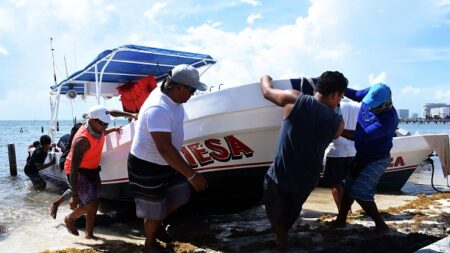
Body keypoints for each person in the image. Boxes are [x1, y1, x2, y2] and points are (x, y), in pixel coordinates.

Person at [260, 71, 347, 252]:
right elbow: (334, 131)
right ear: (334, 94)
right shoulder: (338, 124)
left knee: (273, 208)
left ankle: (282, 239)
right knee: (293, 210)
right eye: (341, 96)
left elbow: (267, 92)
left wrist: (265, 78)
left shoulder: (294, 99)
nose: (340, 100)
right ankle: (282, 236)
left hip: (280, 174)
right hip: (307, 179)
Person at [127, 64, 208, 252]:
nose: (193, 94)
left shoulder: (171, 95)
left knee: (181, 195)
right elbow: (164, 148)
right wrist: (192, 174)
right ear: (178, 87)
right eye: (192, 90)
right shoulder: (159, 108)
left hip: (168, 160)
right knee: (154, 208)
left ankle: (156, 223)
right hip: (147, 164)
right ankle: (149, 245)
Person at [331, 83, 399, 234]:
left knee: (361, 192)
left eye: (374, 106)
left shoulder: (389, 120)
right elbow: (355, 95)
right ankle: (341, 220)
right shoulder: (373, 92)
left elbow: (360, 136)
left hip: (377, 159)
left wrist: (335, 128)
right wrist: (335, 85)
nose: (370, 107)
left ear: (386, 103)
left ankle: (381, 225)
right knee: (348, 187)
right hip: (361, 154)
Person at [63, 105, 136, 239]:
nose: (105, 126)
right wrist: (74, 195)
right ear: (92, 120)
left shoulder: (98, 124)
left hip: (92, 167)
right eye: (102, 123)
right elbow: (73, 168)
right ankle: (70, 218)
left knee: (96, 202)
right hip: (78, 170)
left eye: (107, 123)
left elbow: (111, 112)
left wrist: (131, 116)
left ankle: (89, 235)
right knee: (90, 204)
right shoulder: (82, 140)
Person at [323, 99, 360, 212]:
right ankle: (349, 210)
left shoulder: (332, 105)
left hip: (336, 151)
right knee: (350, 185)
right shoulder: (358, 106)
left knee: (335, 184)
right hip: (354, 151)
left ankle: (343, 212)